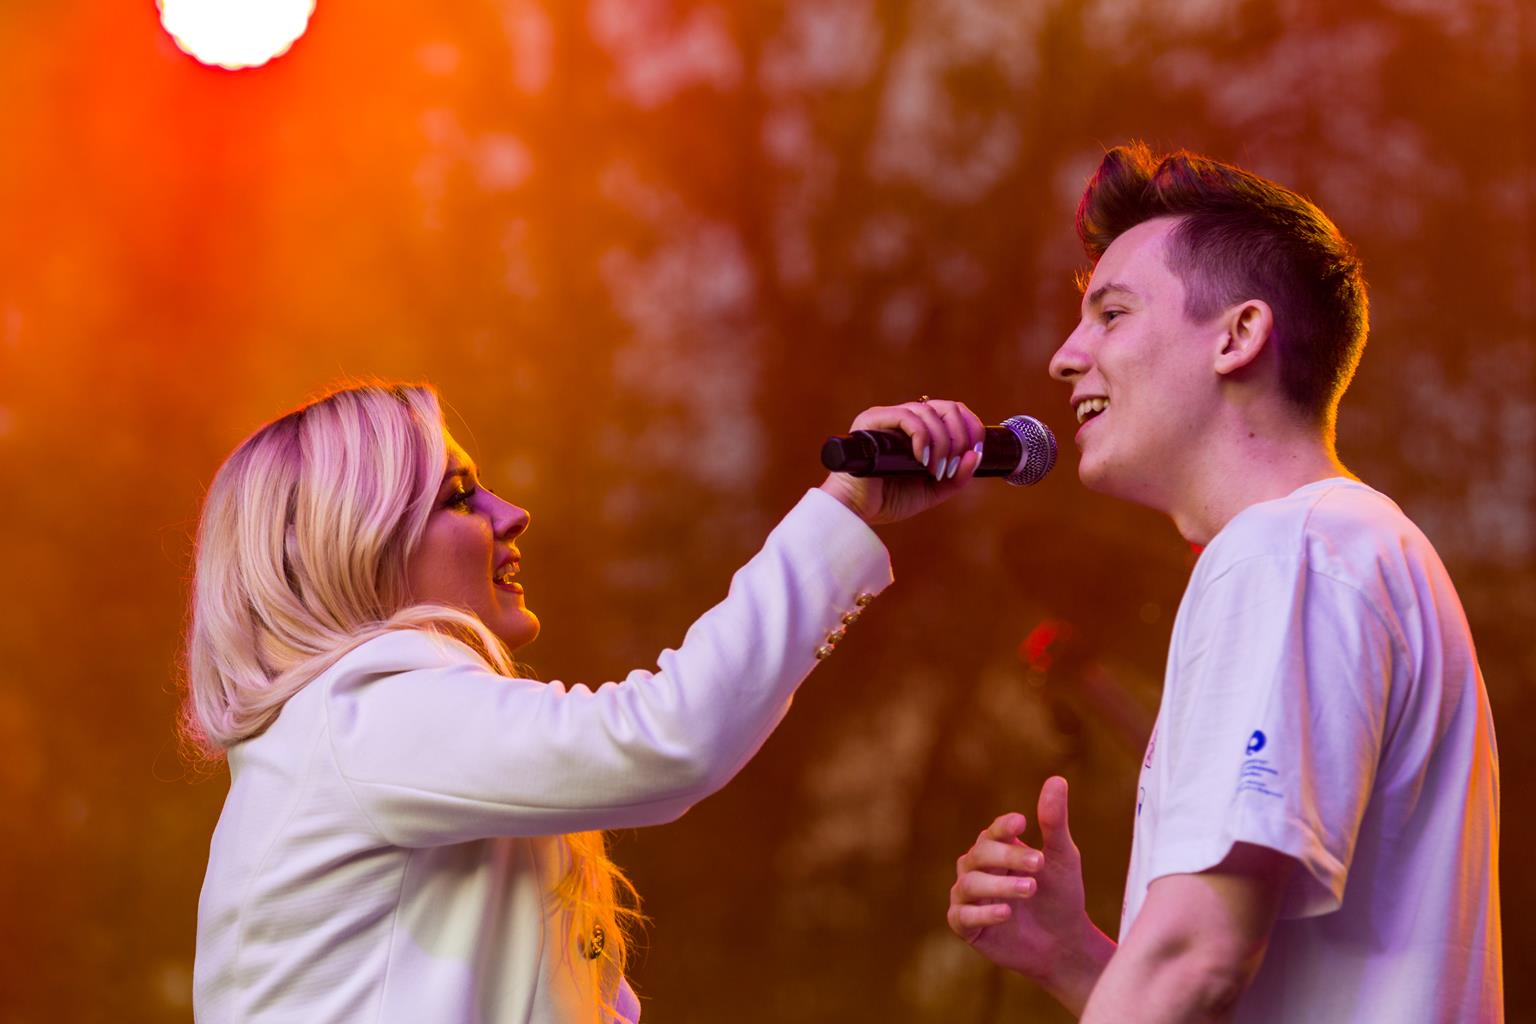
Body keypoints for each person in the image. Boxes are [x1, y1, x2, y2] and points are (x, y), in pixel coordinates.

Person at [184, 381, 987, 1023]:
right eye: (460, 497)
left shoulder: (361, 737)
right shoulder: (361, 712)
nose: (511, 515)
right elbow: (670, 737)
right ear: (354, 542)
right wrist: (842, 506)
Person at [946, 144, 1501, 1022]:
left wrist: (1159, 964)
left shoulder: (1287, 551)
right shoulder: (1330, 549)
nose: (1065, 356)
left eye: (1111, 314)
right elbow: (1224, 972)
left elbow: (1197, 958)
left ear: (1238, 337)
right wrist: (1078, 961)